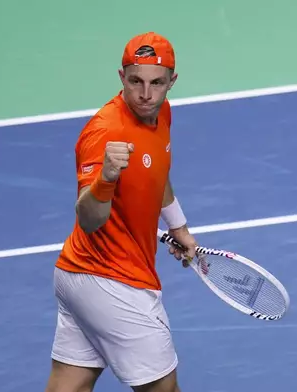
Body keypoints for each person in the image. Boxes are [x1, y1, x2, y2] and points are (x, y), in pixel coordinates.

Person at [45, 32, 198, 392]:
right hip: (113, 280)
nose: (146, 94)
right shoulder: (104, 132)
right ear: (121, 78)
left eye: (156, 83)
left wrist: (178, 226)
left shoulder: (161, 115)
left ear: (171, 82)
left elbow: (158, 172)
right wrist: (107, 178)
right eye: (135, 82)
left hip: (77, 275)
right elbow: (89, 218)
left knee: (69, 387)